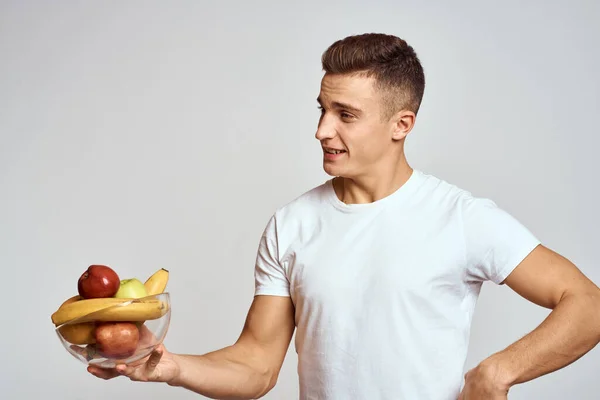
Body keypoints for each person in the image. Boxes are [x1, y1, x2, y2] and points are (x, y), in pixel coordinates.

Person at [88, 33, 600, 400]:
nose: (321, 131)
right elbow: (257, 365)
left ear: (402, 124)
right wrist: (173, 367)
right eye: (321, 109)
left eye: (345, 115)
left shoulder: (461, 218)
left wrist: (497, 373)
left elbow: (587, 304)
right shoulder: (291, 224)